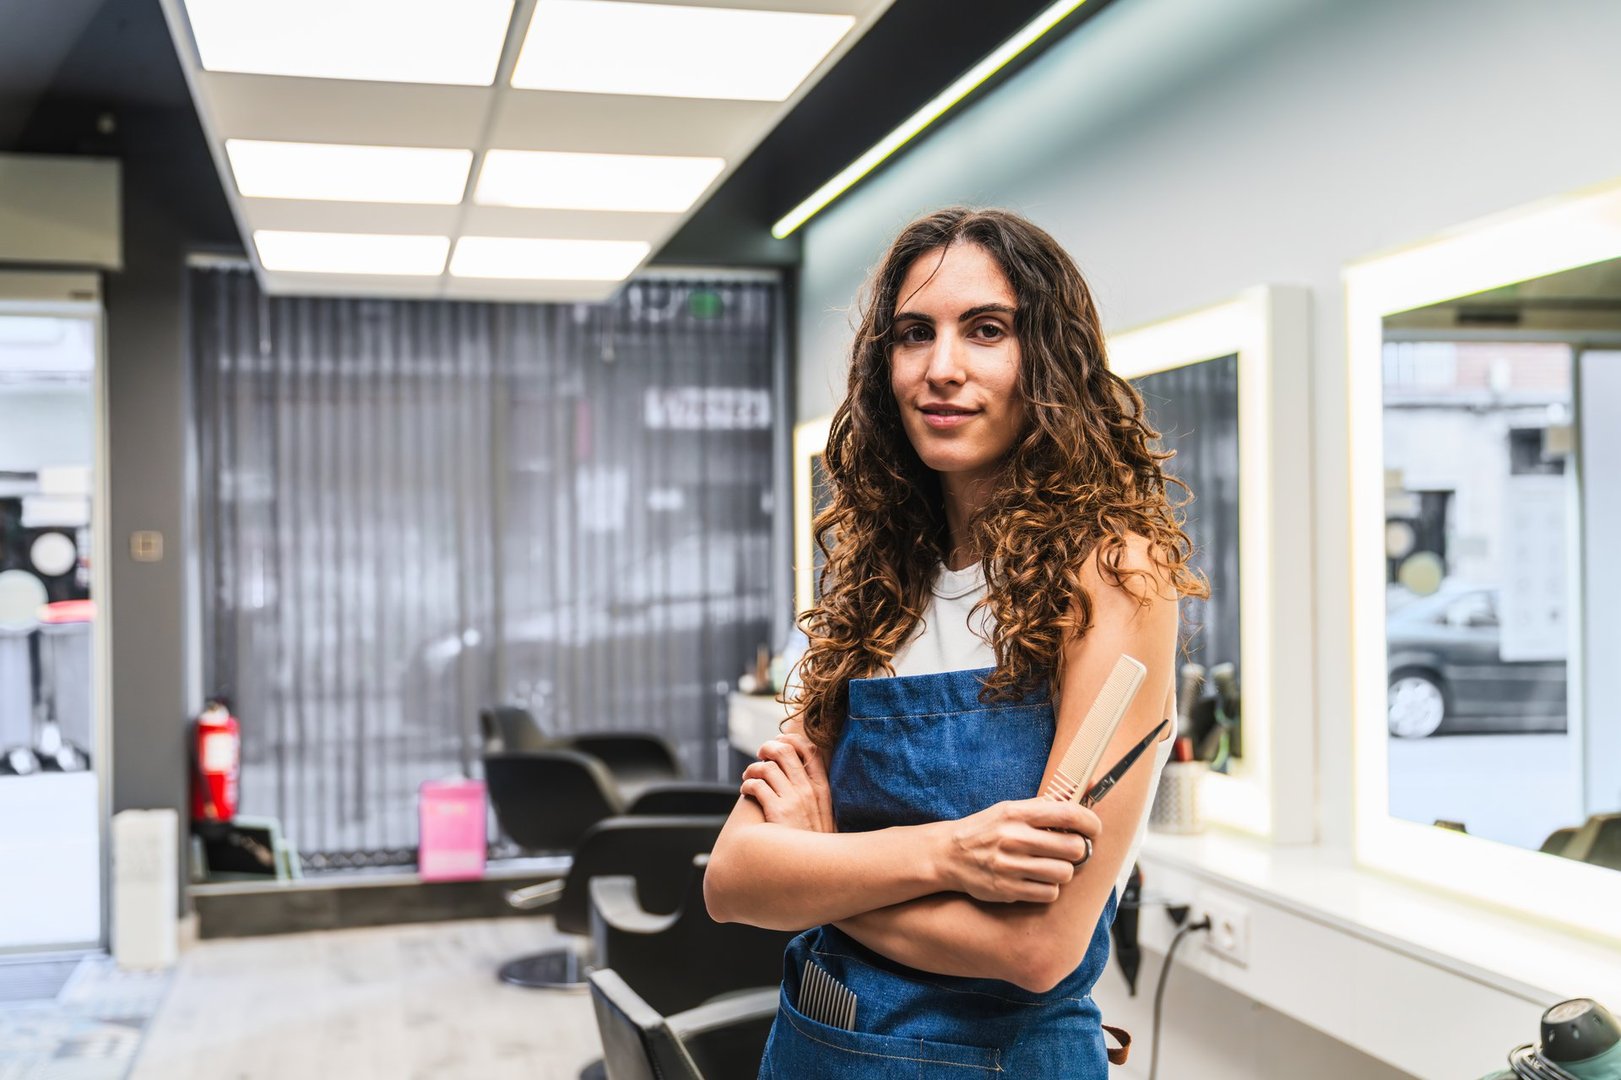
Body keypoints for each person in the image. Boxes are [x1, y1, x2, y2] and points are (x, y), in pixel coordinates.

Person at [703, 207, 1208, 1078]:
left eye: (986, 331)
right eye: (912, 334)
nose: (941, 369)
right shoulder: (874, 579)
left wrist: (821, 868)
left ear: (1045, 359)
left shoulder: (1115, 572)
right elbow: (734, 879)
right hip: (815, 1050)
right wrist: (946, 855)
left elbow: (1038, 946)